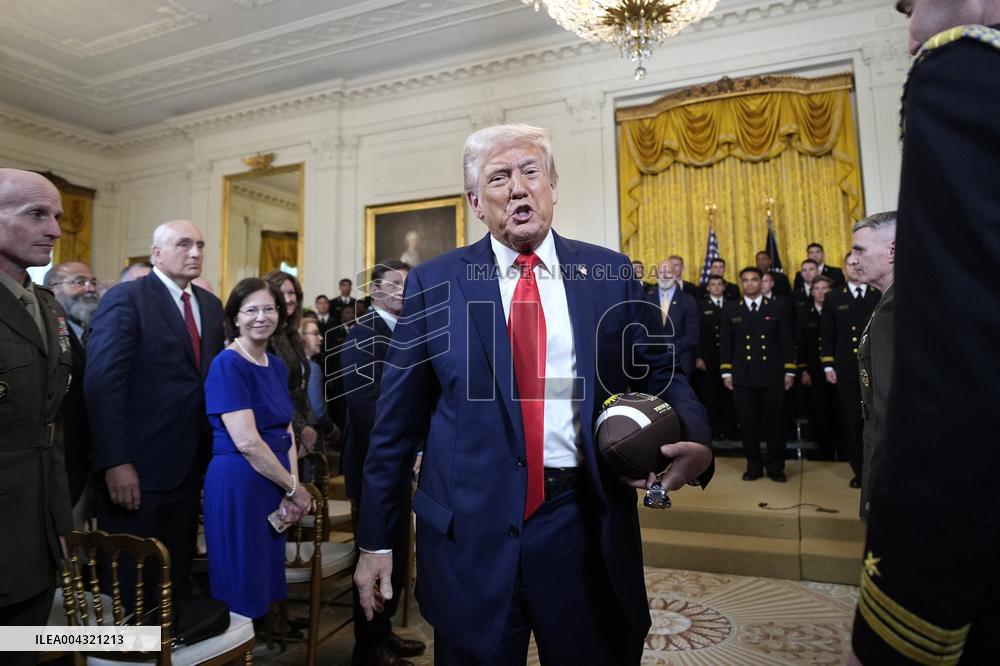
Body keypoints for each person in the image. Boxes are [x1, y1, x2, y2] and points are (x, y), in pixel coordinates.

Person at [353, 124, 714, 665]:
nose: (518, 188)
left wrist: (698, 441)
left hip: (581, 523)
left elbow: (661, 370)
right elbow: (394, 425)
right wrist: (376, 541)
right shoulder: (435, 283)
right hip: (467, 534)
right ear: (476, 202)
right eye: (499, 178)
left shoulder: (609, 273)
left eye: (531, 172)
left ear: (553, 186)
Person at [850, 4, 1000, 664]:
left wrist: (895, 624)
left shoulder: (967, 75)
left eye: (916, 2)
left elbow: (954, 387)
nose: (911, 32)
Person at [86, 220, 225, 604]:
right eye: (184, 244)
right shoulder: (127, 298)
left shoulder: (211, 306)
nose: (195, 252)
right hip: (137, 468)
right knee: (134, 579)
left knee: (176, 572)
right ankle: (134, 656)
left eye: (200, 244)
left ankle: (170, 649)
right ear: (156, 254)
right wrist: (115, 460)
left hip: (191, 465)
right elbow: (103, 384)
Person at [202, 277, 311, 621]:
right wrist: (293, 487)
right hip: (240, 483)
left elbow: (286, 430)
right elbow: (248, 442)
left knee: (263, 581)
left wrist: (291, 486)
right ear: (234, 317)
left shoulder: (276, 365)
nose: (261, 317)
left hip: (274, 481)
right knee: (241, 582)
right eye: (250, 310)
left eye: (269, 308)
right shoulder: (228, 363)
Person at [0, 170, 72, 662]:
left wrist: (61, 523)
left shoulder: (47, 306)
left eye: (58, 217)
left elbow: (54, 427)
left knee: (23, 647)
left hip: (38, 525)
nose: (55, 230)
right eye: (37, 214)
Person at [340, 260, 425, 666]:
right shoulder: (363, 336)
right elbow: (365, 410)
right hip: (374, 467)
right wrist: (405, 455)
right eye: (396, 285)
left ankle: (384, 633)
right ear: (375, 292)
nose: (405, 291)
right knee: (373, 556)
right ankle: (368, 648)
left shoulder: (405, 331)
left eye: (409, 284)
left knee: (395, 553)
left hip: (400, 464)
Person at [720, 267, 796, 482]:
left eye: (755, 280)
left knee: (775, 424)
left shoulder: (777, 306)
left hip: (772, 374)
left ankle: (775, 467)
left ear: (762, 282)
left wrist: (789, 370)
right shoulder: (731, 308)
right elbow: (726, 344)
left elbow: (786, 341)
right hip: (743, 376)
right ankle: (753, 465)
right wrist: (726, 372)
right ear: (741, 283)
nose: (750, 284)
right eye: (746, 280)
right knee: (748, 424)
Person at [845, 212, 896, 519]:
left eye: (859, 250)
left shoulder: (894, 308)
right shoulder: (888, 303)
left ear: (892, 250)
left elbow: (889, 413)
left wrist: (876, 487)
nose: (851, 260)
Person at [44, 261, 101, 525]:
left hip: (93, 458)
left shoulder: (99, 331)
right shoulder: (47, 332)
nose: (89, 289)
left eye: (92, 283)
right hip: (60, 460)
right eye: (78, 282)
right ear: (53, 291)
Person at [821, 257, 880, 487]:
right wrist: (828, 364)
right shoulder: (834, 296)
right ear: (844, 269)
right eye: (849, 265)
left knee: (877, 419)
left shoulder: (878, 293)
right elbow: (828, 333)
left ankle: (878, 470)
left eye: (858, 264)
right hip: (846, 368)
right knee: (853, 421)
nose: (854, 268)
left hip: (875, 366)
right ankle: (859, 471)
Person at [263, 271, 318, 460]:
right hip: (277, 430)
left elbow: (301, 386)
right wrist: (301, 428)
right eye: (282, 293)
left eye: (292, 293)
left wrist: (310, 425)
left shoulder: (292, 334)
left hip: (301, 429)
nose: (289, 299)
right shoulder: (265, 337)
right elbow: (272, 391)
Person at [795, 275, 837, 460]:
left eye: (824, 288)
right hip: (814, 370)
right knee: (818, 411)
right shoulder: (804, 313)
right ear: (811, 292)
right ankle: (824, 449)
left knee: (839, 409)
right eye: (817, 288)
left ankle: (842, 448)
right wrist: (803, 369)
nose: (821, 292)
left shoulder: (837, 309)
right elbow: (800, 343)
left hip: (837, 369)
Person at [695, 275, 738, 440]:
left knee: (729, 396)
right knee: (711, 397)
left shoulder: (732, 305)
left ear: (724, 286)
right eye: (712, 284)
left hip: (730, 358)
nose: (716, 287)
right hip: (708, 359)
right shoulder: (701, 306)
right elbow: (696, 334)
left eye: (719, 284)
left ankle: (731, 431)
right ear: (708, 288)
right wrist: (698, 356)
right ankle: (714, 430)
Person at [646, 259, 699, 375]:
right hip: (654, 364)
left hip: (681, 363)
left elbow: (692, 335)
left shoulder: (688, 300)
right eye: (661, 272)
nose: (664, 276)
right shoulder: (647, 299)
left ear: (675, 274)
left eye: (668, 272)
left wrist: (668, 347)